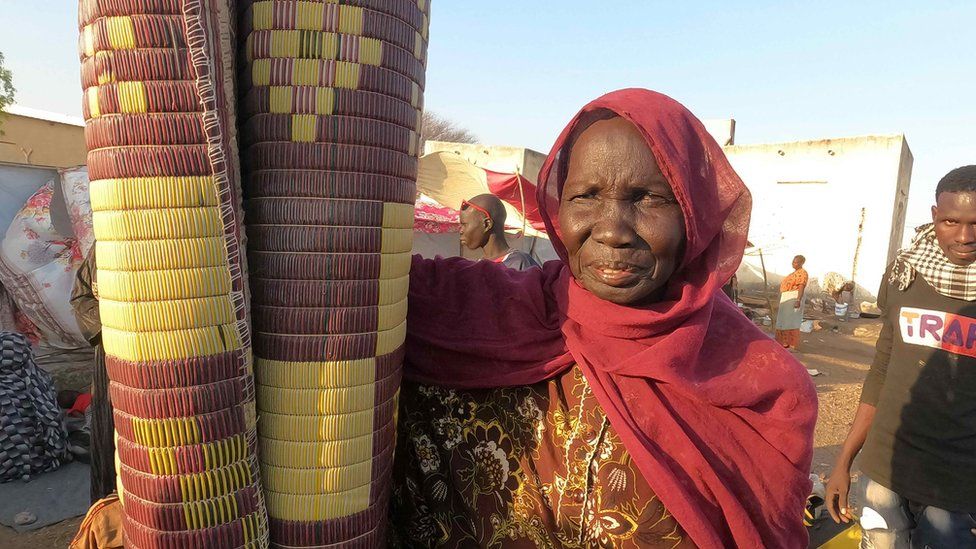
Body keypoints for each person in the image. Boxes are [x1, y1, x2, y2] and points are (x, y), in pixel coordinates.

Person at [390, 89, 817, 548]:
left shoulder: (765, 391)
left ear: (694, 214)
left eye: (648, 198)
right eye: (586, 196)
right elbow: (344, 278)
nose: (612, 228)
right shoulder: (486, 313)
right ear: (559, 208)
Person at [826, 165, 976, 548]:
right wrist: (844, 459)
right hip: (885, 466)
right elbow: (882, 368)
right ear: (933, 216)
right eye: (950, 221)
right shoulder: (904, 275)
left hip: (957, 481)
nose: (964, 237)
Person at [69, 247, 116, 503]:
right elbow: (81, 297)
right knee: (112, 432)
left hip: (172, 359)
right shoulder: (105, 244)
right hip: (112, 352)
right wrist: (116, 324)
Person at [459, 193, 541, 270]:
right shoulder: (476, 269)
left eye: (464, 224)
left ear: (487, 224)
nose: (461, 230)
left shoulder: (519, 263)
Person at [775, 255, 809, 350]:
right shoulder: (793, 273)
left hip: (794, 297)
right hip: (787, 298)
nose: (794, 264)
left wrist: (798, 300)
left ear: (802, 263)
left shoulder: (802, 273)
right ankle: (784, 343)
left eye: (796, 262)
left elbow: (801, 287)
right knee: (783, 321)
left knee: (791, 321)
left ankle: (791, 344)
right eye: (793, 262)